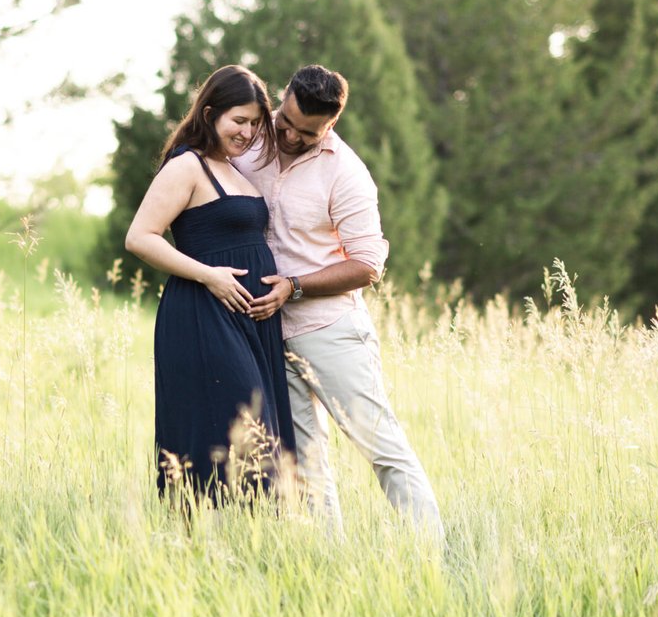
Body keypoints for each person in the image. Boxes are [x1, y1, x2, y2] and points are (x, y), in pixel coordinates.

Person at [236, 64, 444, 542]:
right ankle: (327, 563)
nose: (290, 136)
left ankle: (432, 556)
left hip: (331, 331)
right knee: (304, 462)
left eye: (307, 132)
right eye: (286, 121)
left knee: (382, 448)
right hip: (268, 332)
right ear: (283, 98)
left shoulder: (346, 173)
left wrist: (294, 286)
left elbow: (368, 265)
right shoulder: (253, 142)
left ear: (330, 125)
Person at [124, 65, 297, 502]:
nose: (248, 132)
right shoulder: (187, 166)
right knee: (235, 428)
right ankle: (201, 527)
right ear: (209, 113)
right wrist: (210, 276)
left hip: (251, 322)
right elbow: (140, 237)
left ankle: (249, 534)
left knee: (260, 432)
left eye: (255, 123)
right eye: (239, 120)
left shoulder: (234, 169)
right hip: (203, 313)